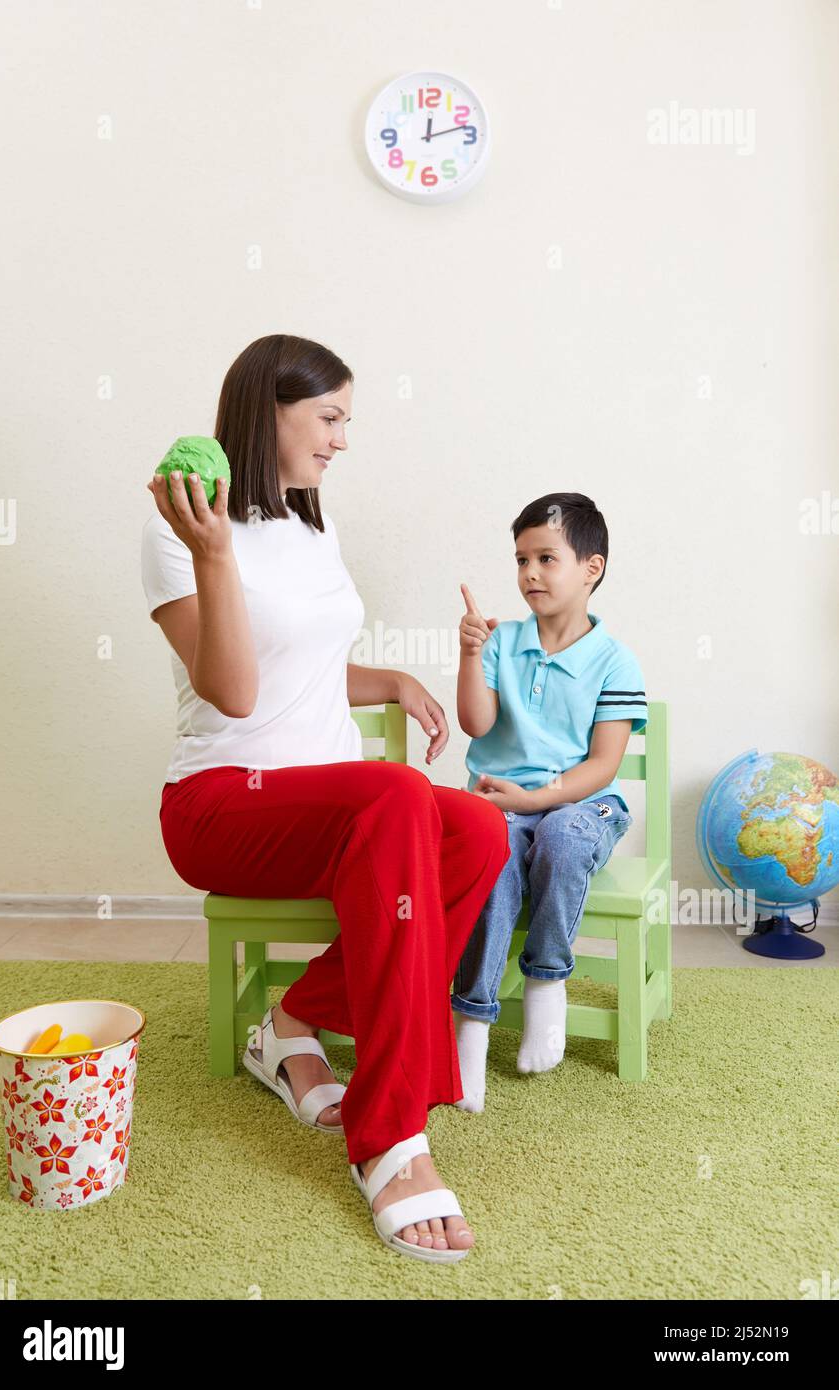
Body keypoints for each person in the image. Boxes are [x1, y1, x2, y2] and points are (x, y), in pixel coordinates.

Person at [140, 333, 509, 1262]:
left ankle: (293, 1020)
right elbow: (234, 689)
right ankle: (388, 1133)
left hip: (327, 802)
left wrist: (387, 680)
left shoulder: (313, 522)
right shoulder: (180, 527)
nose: (343, 440)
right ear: (269, 412)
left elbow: (302, 665)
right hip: (222, 804)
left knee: (474, 827)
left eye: (347, 420)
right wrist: (214, 551)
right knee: (394, 797)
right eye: (330, 419)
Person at [452, 493, 647, 1111]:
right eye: (520, 560)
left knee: (561, 834)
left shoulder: (616, 661)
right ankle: (472, 1025)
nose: (529, 573)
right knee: (495, 851)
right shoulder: (503, 642)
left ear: (592, 568)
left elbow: (602, 766)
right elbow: (476, 726)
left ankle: (546, 986)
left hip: (583, 804)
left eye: (545, 558)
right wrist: (471, 655)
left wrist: (534, 797)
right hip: (500, 803)